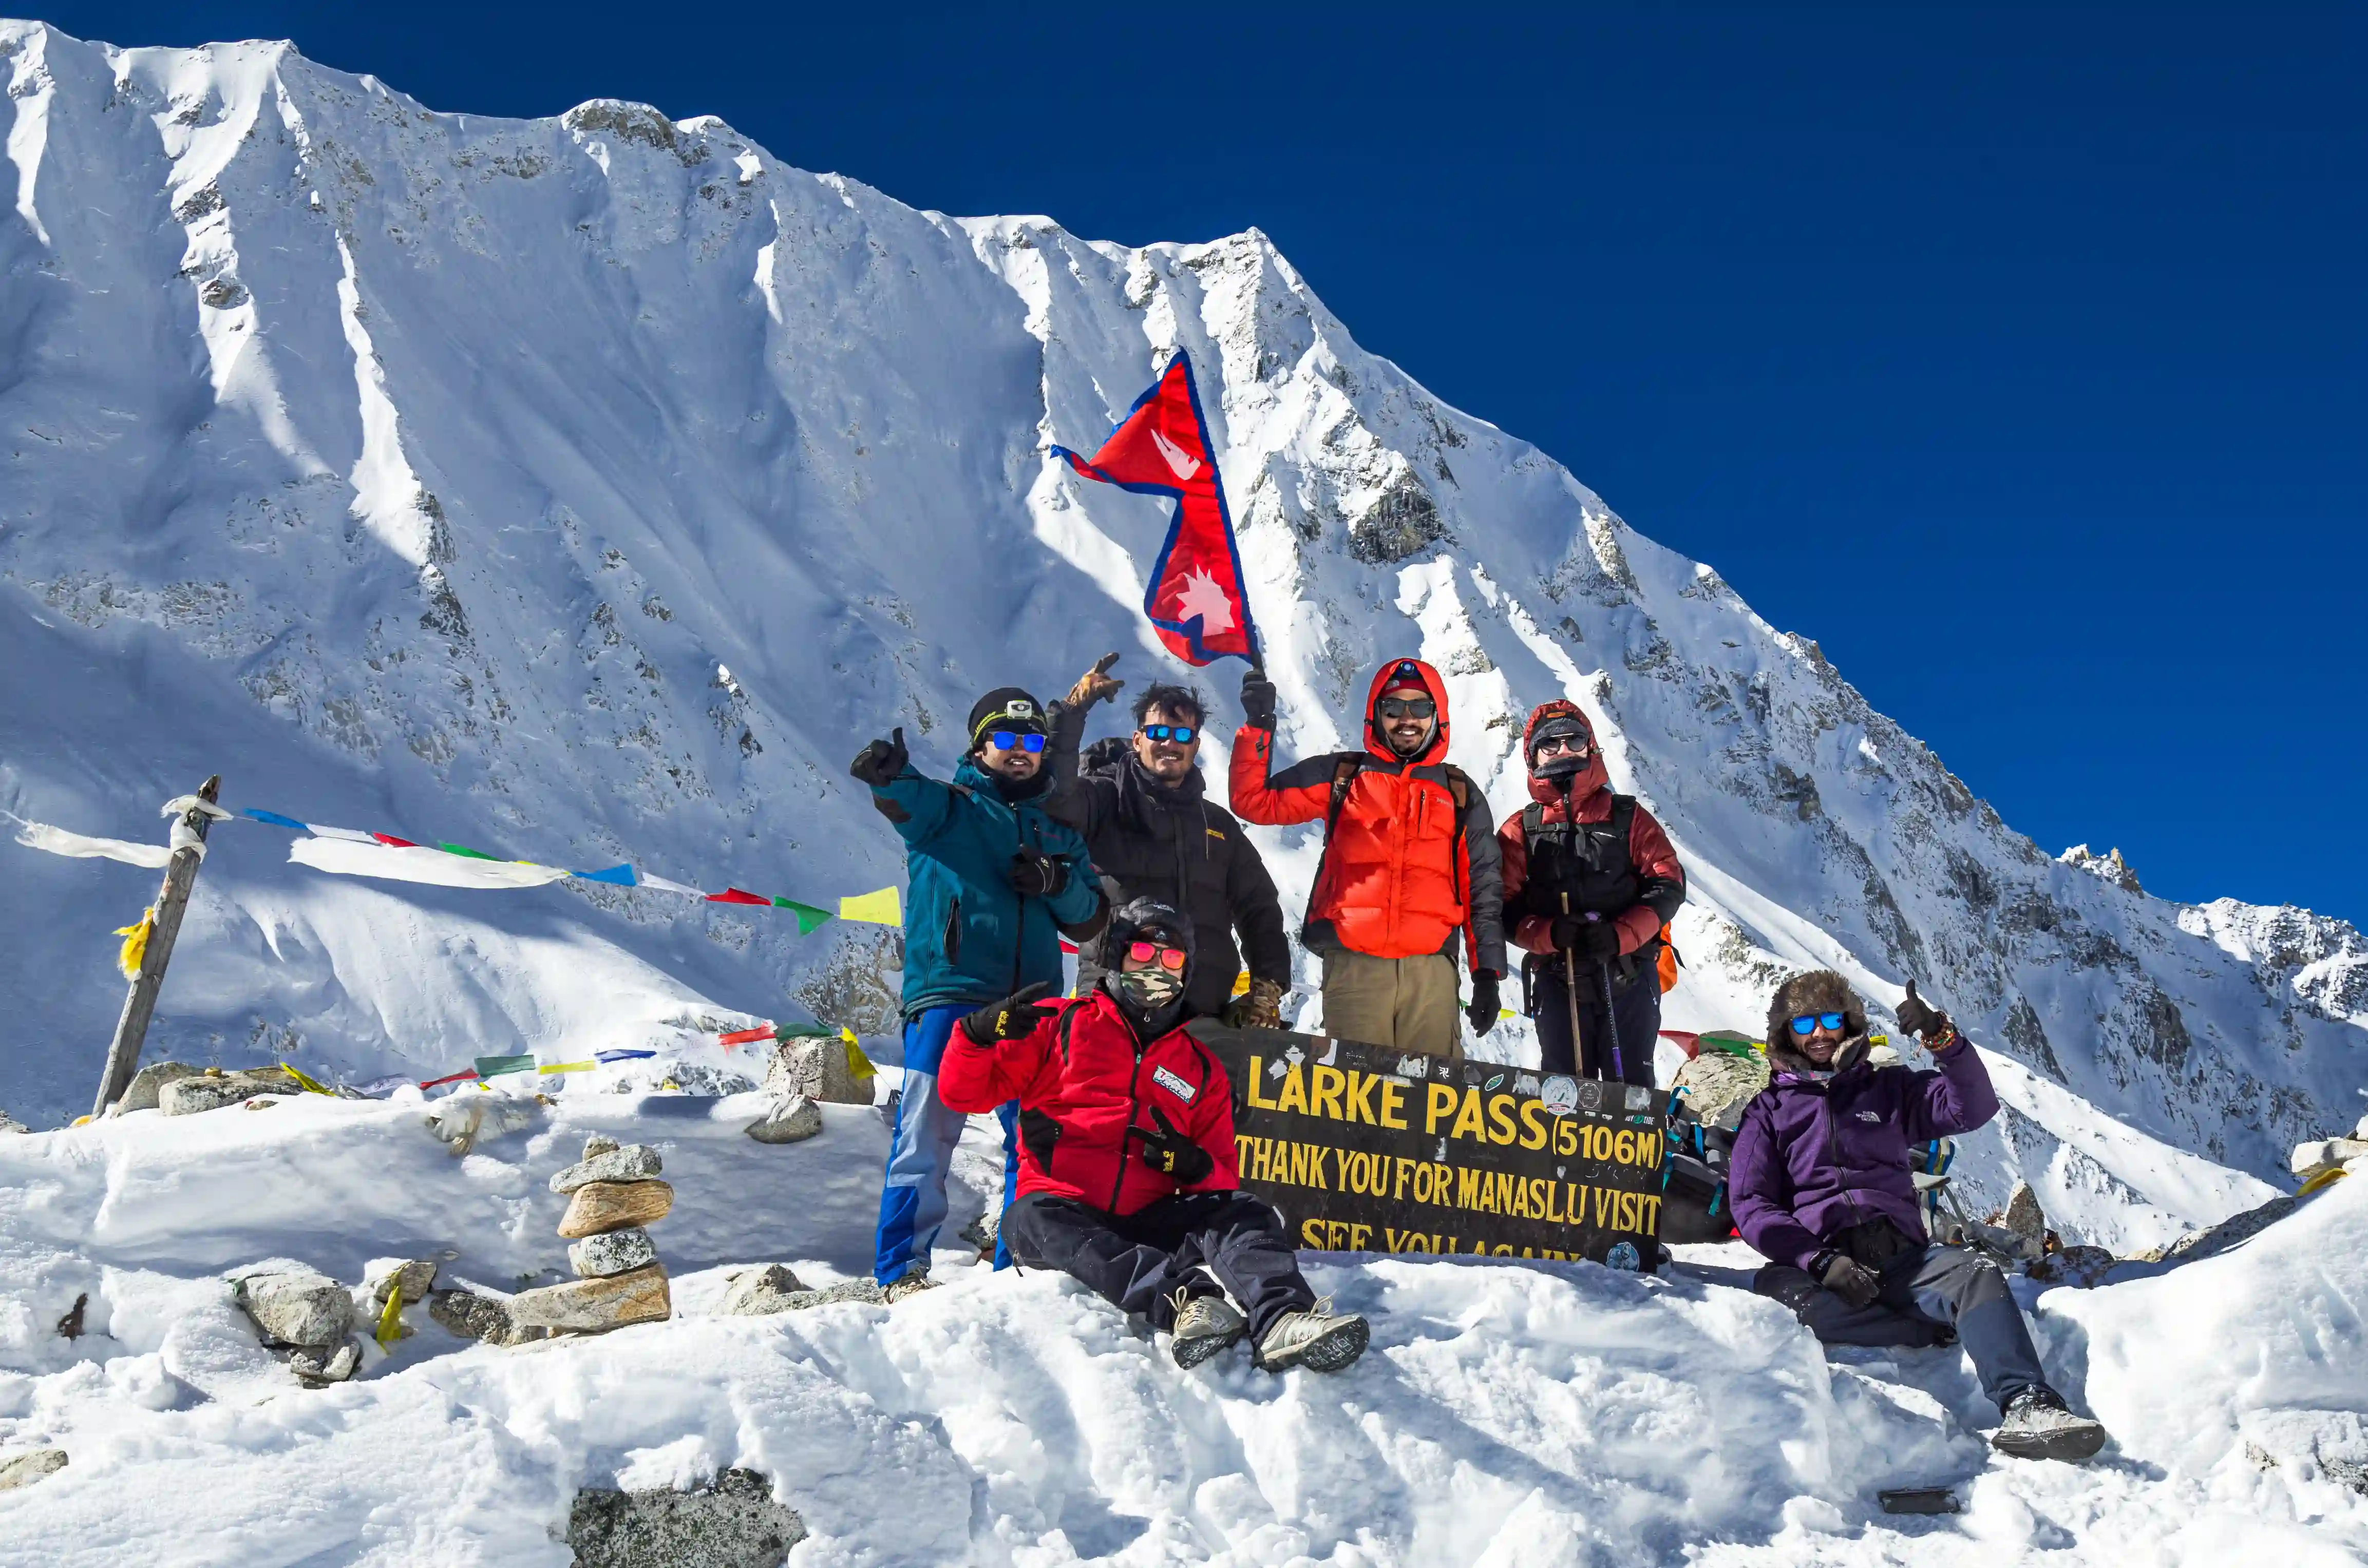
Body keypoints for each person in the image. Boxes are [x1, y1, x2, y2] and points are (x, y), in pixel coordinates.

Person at [940, 898, 1370, 1372]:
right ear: (1119, 957)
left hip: (1150, 1219)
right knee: (1029, 1215)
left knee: (1244, 1209)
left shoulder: (1199, 1066)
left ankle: (1283, 1318)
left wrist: (1197, 1167)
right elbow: (964, 1095)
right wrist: (974, 1038)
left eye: (1172, 959)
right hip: (1062, 1216)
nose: (1157, 969)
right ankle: (1188, 1302)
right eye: (1144, 954)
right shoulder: (1058, 1024)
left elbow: (1222, 1172)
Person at [1728, 969, 2111, 1462]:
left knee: (1975, 1274)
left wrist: (1942, 1040)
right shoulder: (1768, 1110)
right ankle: (1920, 1330)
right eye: (1804, 1025)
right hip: (1823, 1265)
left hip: (1903, 1259)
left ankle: (2027, 1403)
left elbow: (1971, 1108)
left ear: (1849, 1026)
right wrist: (1818, 1261)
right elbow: (1752, 1204)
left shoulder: (1888, 1090)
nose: (1819, 1034)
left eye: (1829, 1020)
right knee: (1783, 1303)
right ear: (1786, 1034)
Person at [849, 688, 1107, 1298]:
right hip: (952, 995)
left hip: (1035, 1007)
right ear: (980, 746)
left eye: (1033, 741)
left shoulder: (1055, 832)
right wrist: (891, 777)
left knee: (1038, 1140)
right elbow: (906, 800)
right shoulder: (951, 807)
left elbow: (1091, 918)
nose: (1022, 752)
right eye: (1008, 740)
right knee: (926, 1135)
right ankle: (902, 1270)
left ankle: (1019, 1265)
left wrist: (1055, 880)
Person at [1228, 658, 1506, 1057]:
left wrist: (1487, 975)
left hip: (1430, 975)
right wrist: (1258, 725)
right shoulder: (1343, 775)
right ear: (1376, 714)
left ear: (1438, 717)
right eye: (1393, 708)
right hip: (1354, 968)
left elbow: (1483, 889)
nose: (1406, 719)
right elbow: (1254, 802)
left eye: (1421, 708)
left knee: (1431, 1107)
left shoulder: (1459, 792)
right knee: (1352, 1106)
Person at [1041, 655, 1291, 1027]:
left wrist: (1267, 985)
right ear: (1138, 739)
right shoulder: (1103, 800)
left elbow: (1258, 906)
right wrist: (1073, 711)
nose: (1169, 744)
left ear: (1195, 745)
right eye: (1158, 733)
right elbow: (1053, 799)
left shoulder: (1217, 826)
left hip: (1201, 1011)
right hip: (1110, 1007)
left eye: (1182, 735)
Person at [1498, 701, 1685, 1087]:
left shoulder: (1628, 818)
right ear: (1532, 756)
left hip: (1628, 975)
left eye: (1574, 740)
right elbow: (1501, 906)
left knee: (1630, 1093)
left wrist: (1622, 935)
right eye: (1550, 745)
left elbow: (1667, 884)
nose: (1563, 751)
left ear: (1591, 746)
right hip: (1556, 977)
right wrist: (1546, 933)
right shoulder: (1521, 830)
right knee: (1563, 1092)